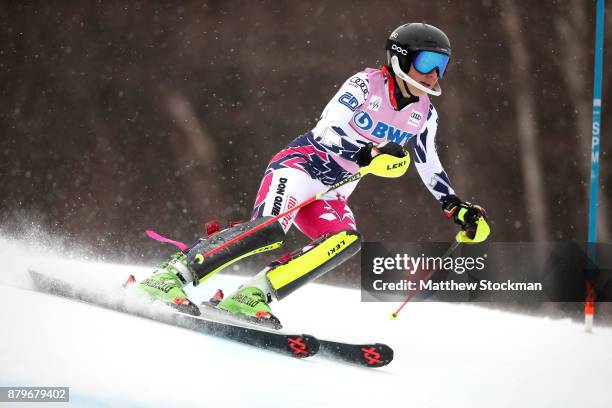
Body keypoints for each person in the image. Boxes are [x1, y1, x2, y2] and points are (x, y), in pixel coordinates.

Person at [136, 23, 490, 325]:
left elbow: (430, 164)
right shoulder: (365, 85)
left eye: (442, 65)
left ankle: (252, 295)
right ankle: (173, 274)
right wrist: (368, 154)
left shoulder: (425, 114)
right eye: (427, 61)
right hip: (299, 168)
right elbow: (326, 130)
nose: (433, 74)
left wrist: (456, 208)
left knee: (346, 241)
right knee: (270, 230)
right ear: (400, 58)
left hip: (333, 191)